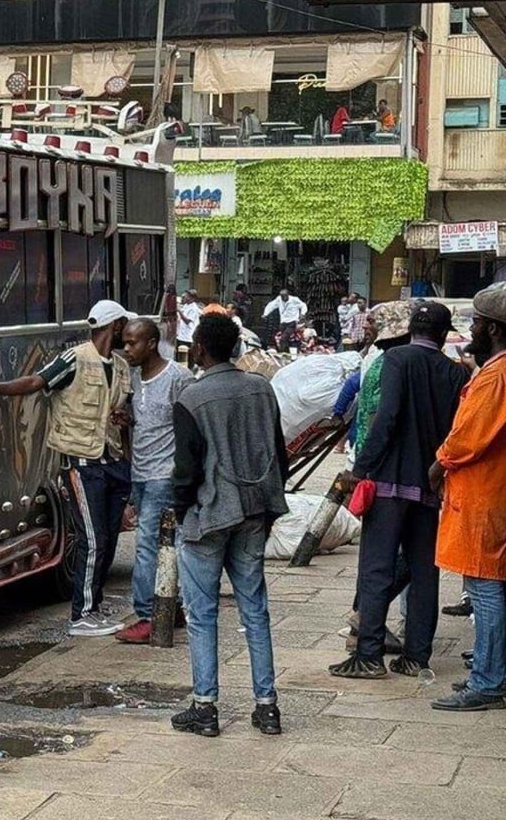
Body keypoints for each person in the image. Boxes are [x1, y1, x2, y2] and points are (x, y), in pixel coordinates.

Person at [0, 300, 134, 637]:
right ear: (114, 326)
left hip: (114, 464)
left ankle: (94, 607)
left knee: (109, 539)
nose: (128, 333)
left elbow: (122, 415)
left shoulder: (120, 366)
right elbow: (35, 382)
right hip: (82, 465)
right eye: (124, 327)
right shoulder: (74, 359)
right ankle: (82, 616)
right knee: (93, 538)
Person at [329, 302, 469, 681]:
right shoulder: (455, 374)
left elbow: (387, 416)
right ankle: (416, 657)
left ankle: (369, 655)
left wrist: (361, 468)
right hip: (429, 485)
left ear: (411, 330)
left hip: (390, 482)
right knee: (425, 572)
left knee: (376, 569)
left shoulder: (397, 360)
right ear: (443, 335)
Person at [169, 314, 290, 737]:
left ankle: (205, 708)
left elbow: (186, 469)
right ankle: (267, 706)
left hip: (210, 514)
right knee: (255, 610)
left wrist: (180, 511)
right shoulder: (261, 388)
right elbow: (279, 451)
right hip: (255, 510)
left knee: (202, 616)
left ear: (199, 349)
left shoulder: (191, 397)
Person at [429, 283, 506, 710]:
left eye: (477, 323)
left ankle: (489, 680)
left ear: (494, 329)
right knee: (498, 587)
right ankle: (498, 669)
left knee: (486, 588)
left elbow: (468, 439)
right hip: (496, 492)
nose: (472, 330)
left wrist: (438, 462)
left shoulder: (497, 375)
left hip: (486, 496)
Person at [115, 318, 194, 644]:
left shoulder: (178, 378)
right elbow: (143, 423)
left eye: (133, 343)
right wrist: (127, 420)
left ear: (151, 343)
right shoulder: (133, 378)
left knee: (148, 546)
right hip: (141, 473)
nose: (127, 349)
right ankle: (168, 606)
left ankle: (148, 615)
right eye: (125, 342)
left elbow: (192, 425)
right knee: (160, 546)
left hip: (165, 475)